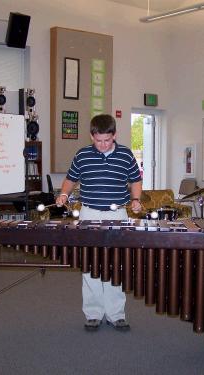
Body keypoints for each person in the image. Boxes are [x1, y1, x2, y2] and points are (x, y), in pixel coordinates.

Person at [56, 114, 142, 332]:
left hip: (117, 216)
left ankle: (116, 314)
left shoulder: (125, 154)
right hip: (89, 214)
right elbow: (71, 178)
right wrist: (64, 194)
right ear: (91, 136)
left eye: (107, 140)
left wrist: (136, 199)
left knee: (116, 264)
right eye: (98, 140)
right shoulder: (83, 155)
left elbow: (135, 180)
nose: (103, 145)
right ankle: (93, 313)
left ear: (114, 135)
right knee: (90, 264)